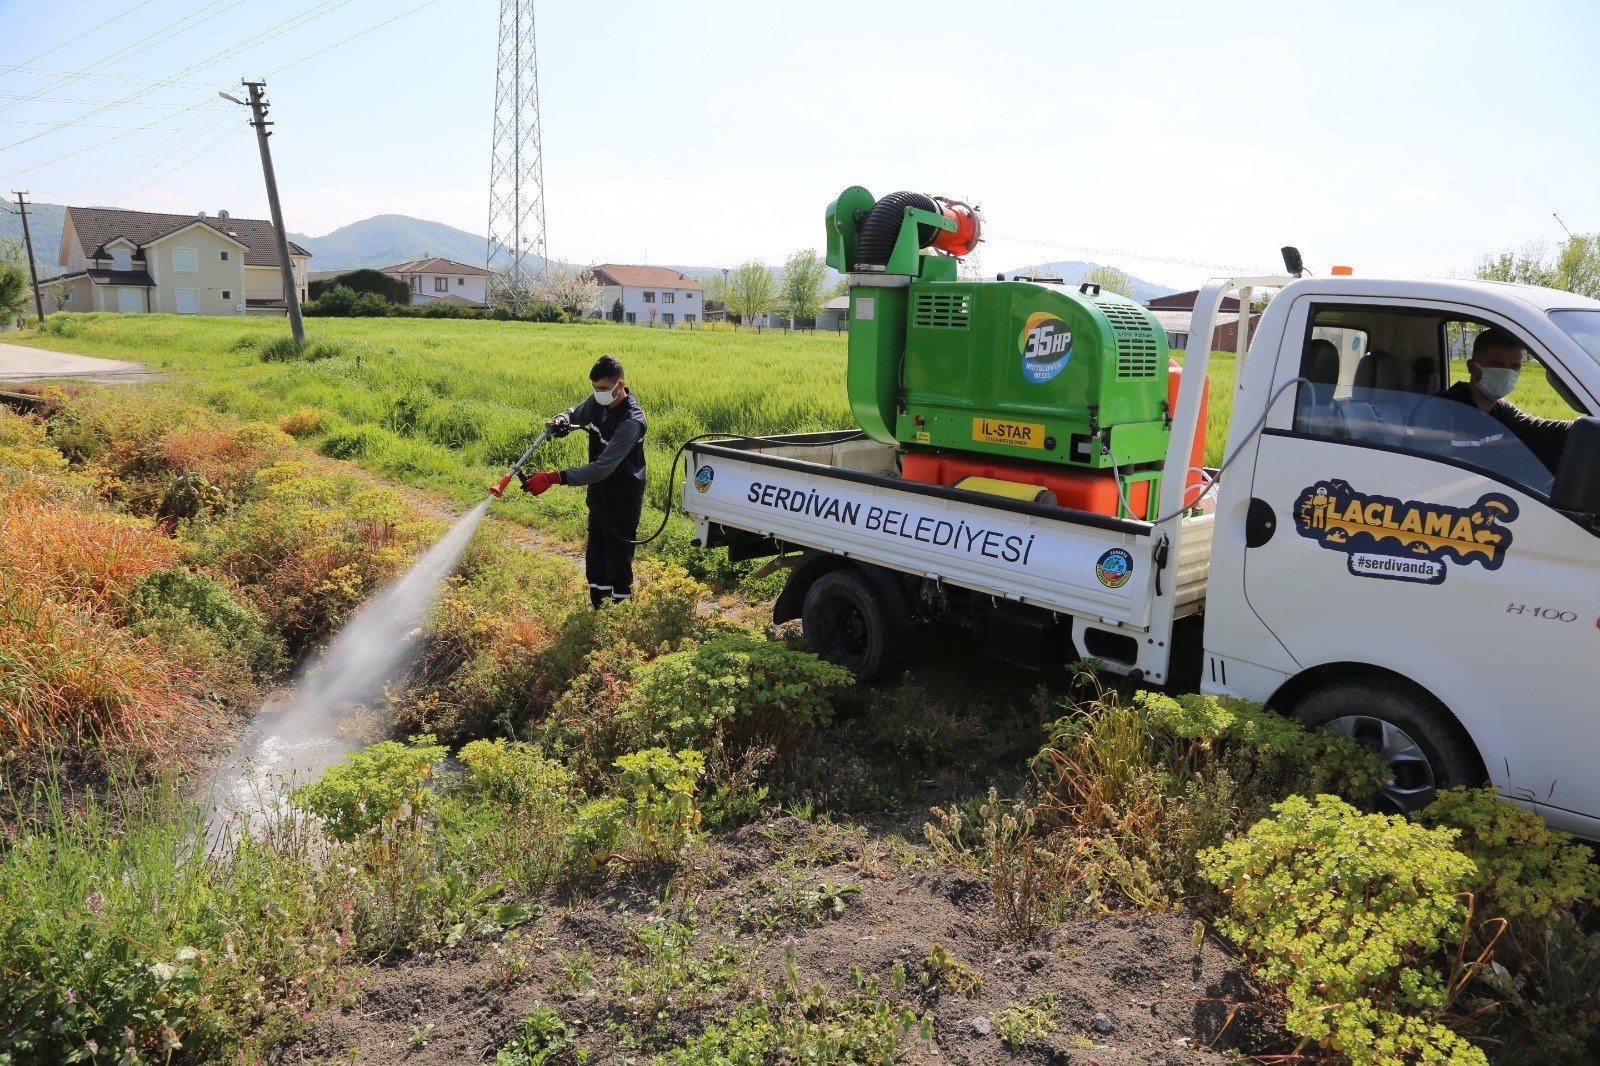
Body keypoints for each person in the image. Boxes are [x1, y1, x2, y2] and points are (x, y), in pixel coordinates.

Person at [521, 354, 648, 608]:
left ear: (619, 385)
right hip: (599, 495)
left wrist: (554, 478)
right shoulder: (599, 402)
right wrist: (563, 421)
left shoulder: (631, 422)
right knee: (596, 554)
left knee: (617, 559)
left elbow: (602, 468)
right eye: (594, 388)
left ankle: (619, 615)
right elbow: (576, 413)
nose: (597, 393)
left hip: (622, 497)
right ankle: (598, 610)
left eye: (602, 388)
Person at [1440, 327, 1571, 475]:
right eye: (1497, 365)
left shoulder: (1501, 410)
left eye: (1514, 367)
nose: (1506, 374)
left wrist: (1589, 427)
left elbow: (1546, 431)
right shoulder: (1441, 409)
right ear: (1472, 367)